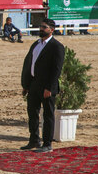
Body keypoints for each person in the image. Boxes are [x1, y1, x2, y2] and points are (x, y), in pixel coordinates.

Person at [20, 18, 65, 153]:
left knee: (48, 115)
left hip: (46, 87)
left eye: (44, 27)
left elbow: (56, 70)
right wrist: (26, 84)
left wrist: (49, 88)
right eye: (40, 26)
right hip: (34, 84)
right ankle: (34, 140)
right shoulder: (36, 44)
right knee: (32, 113)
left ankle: (47, 144)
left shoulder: (57, 47)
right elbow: (29, 64)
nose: (41, 29)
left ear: (51, 30)